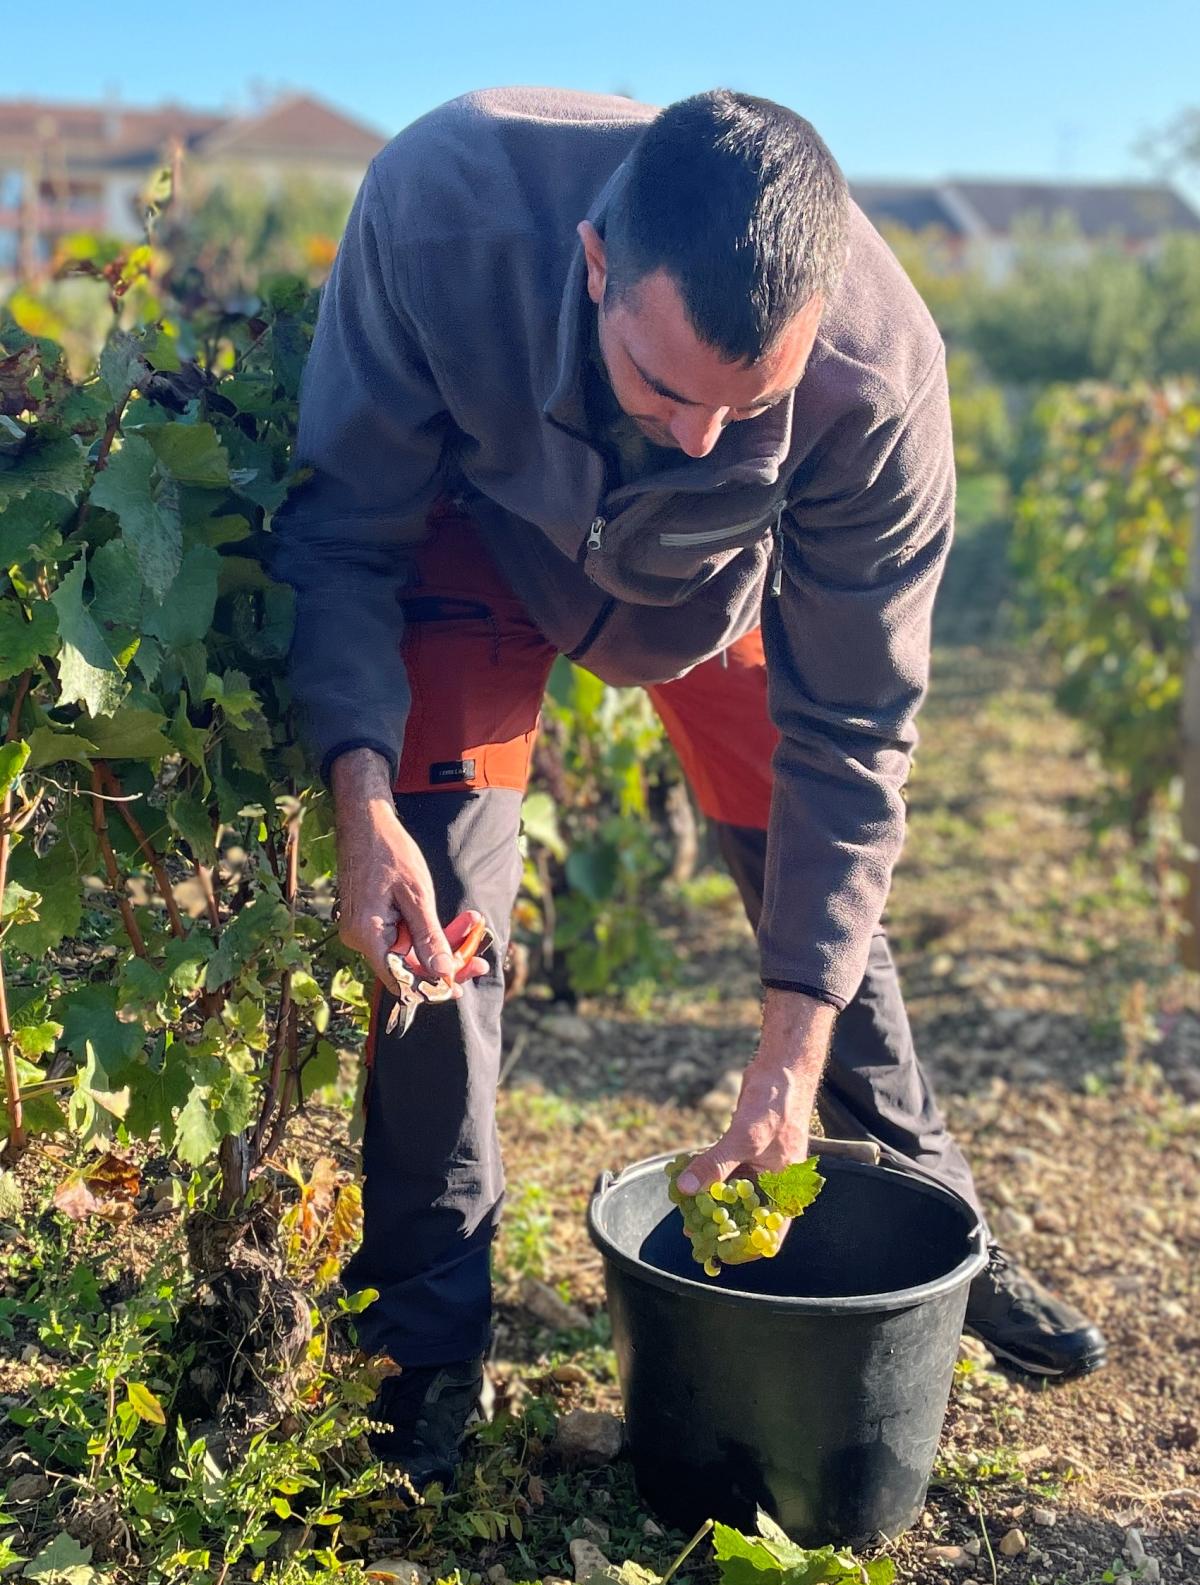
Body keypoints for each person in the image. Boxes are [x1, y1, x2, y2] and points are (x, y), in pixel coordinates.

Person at [273, 87, 1105, 1487]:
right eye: (667, 389)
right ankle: (423, 1353)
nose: (704, 436)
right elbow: (346, 532)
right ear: (598, 266)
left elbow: (851, 728)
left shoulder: (880, 377)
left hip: (712, 597)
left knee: (817, 896)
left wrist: (785, 1058)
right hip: (490, 550)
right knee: (439, 928)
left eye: (752, 402)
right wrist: (359, 804)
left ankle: (941, 1233)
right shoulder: (442, 209)